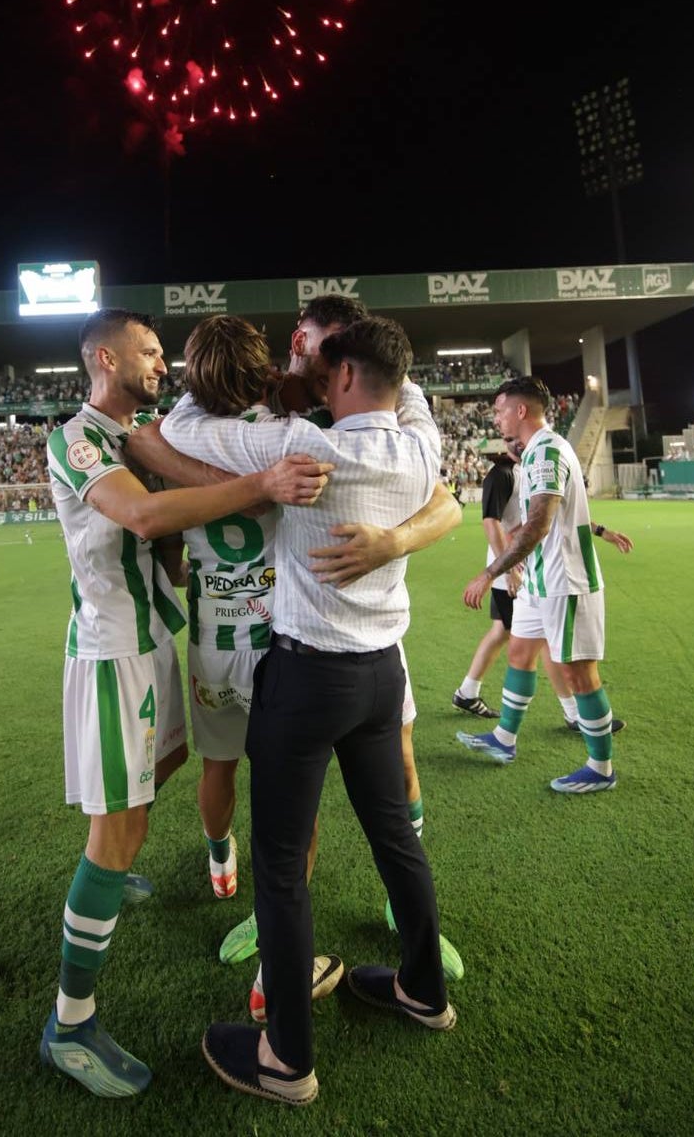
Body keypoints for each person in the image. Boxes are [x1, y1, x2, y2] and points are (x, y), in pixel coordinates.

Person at [160, 317, 456, 1106]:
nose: (319, 381)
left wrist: (293, 373)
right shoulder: (421, 441)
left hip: (307, 678)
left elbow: (181, 424)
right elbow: (407, 392)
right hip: (380, 678)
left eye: (330, 372)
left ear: (348, 376)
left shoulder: (303, 447)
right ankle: (423, 991)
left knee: (282, 869)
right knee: (394, 835)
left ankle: (287, 1058)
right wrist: (338, 363)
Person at [38, 308, 331, 1101]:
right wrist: (263, 485)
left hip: (155, 638)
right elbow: (141, 515)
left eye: (166, 352)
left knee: (169, 761)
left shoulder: (139, 436)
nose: (161, 362)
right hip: (111, 653)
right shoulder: (78, 436)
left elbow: (161, 538)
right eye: (148, 350)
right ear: (104, 357)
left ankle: (118, 864)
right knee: (119, 832)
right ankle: (70, 1022)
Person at [458, 376, 620, 794]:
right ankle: (504, 739)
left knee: (578, 672)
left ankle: (601, 768)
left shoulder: (547, 451)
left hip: (564, 580)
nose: (494, 418)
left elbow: (538, 525)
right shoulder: (536, 452)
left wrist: (491, 571)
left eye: (499, 410)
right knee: (519, 650)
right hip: (538, 580)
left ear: (521, 411)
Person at [453, 443, 632, 730]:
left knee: (510, 634)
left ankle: (469, 693)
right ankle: (572, 713)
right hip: (514, 569)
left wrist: (601, 531)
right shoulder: (501, 474)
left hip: (529, 569)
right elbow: (490, 522)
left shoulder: (532, 469)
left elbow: (556, 515)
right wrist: (508, 569)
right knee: (540, 640)